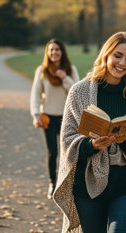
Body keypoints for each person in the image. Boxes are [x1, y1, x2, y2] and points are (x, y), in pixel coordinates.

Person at [53, 31, 126, 233]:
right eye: (118, 55)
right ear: (106, 55)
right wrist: (91, 145)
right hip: (87, 186)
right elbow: (67, 139)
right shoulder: (79, 91)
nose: (122, 63)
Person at [30, 38, 79, 199]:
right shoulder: (42, 71)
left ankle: (68, 185)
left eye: (57, 49)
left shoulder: (70, 69)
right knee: (53, 152)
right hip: (48, 118)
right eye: (51, 50)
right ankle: (52, 183)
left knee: (69, 153)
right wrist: (36, 114)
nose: (54, 52)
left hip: (67, 118)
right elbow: (36, 94)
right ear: (47, 53)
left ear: (62, 52)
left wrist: (64, 77)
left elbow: (78, 92)